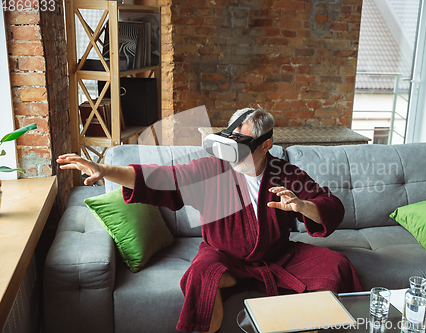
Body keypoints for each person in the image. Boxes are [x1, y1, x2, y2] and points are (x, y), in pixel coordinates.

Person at [58, 107, 363, 333]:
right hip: (223, 256)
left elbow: (330, 204)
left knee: (334, 266)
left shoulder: (285, 173)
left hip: (279, 257)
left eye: (241, 147)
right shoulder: (210, 169)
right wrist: (106, 170)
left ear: (265, 145)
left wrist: (302, 206)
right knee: (202, 277)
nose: (231, 154)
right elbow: (163, 178)